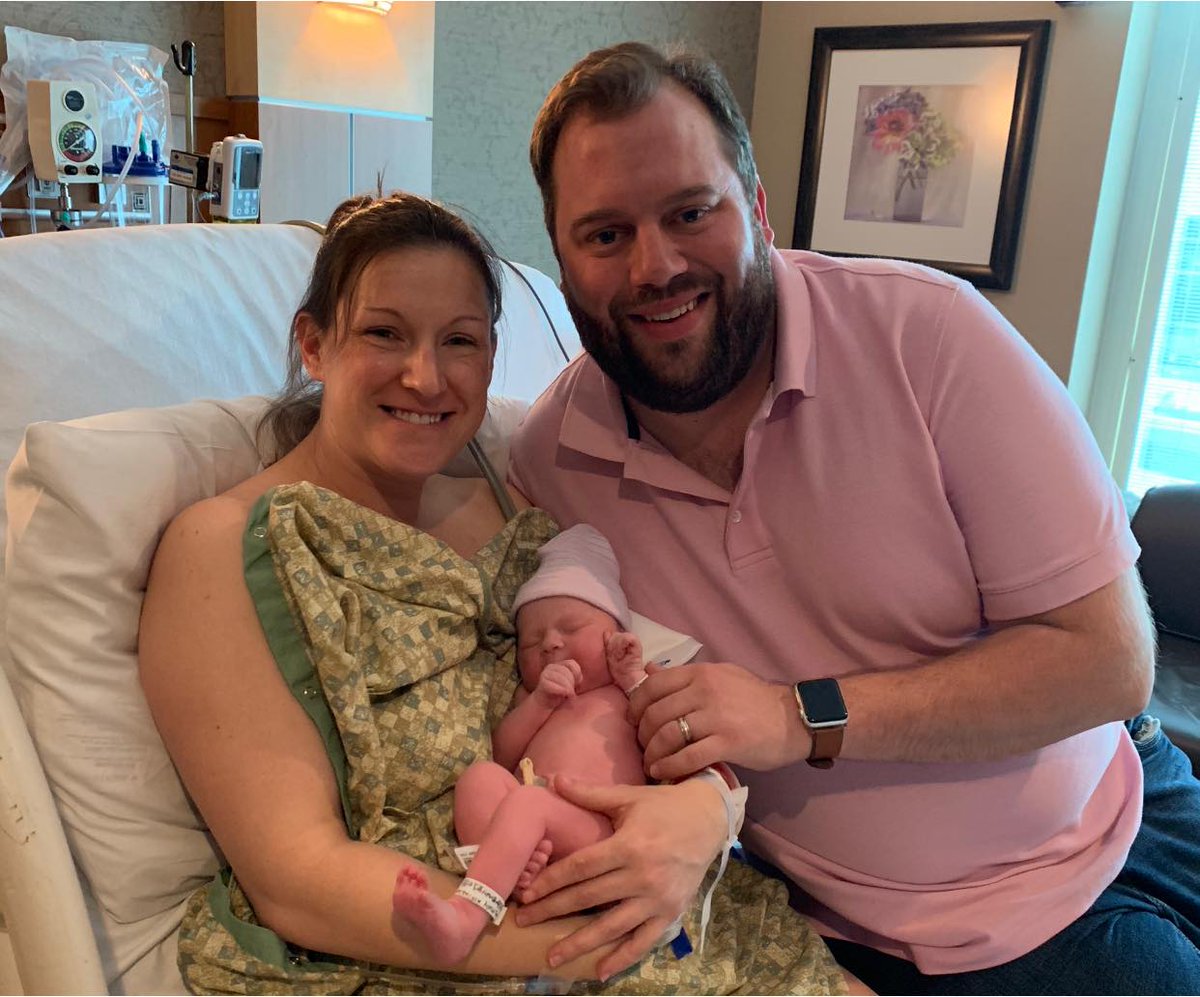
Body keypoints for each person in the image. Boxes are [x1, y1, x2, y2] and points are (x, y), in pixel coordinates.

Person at [508, 41, 1200, 995]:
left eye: (689, 212)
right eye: (605, 234)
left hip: (1116, 831)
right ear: (561, 258)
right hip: (877, 934)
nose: (655, 266)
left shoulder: (931, 337)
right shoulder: (548, 461)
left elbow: (1111, 659)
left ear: (755, 207)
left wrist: (800, 715)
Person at [138, 191, 856, 995]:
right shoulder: (228, 547)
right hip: (453, 937)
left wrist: (701, 817)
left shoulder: (511, 509)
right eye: (384, 333)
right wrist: (613, 928)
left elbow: (630, 695)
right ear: (314, 342)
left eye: (461, 341)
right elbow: (296, 879)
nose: (425, 376)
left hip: (649, 881)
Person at [392, 523, 651, 963]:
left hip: (603, 836)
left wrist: (632, 677)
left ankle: (467, 917)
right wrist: (539, 703)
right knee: (479, 778)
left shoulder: (625, 694)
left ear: (616, 635)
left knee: (529, 803)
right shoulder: (531, 698)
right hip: (536, 830)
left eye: (571, 628)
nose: (550, 643)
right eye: (531, 642)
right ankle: (506, 874)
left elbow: (664, 736)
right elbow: (503, 754)